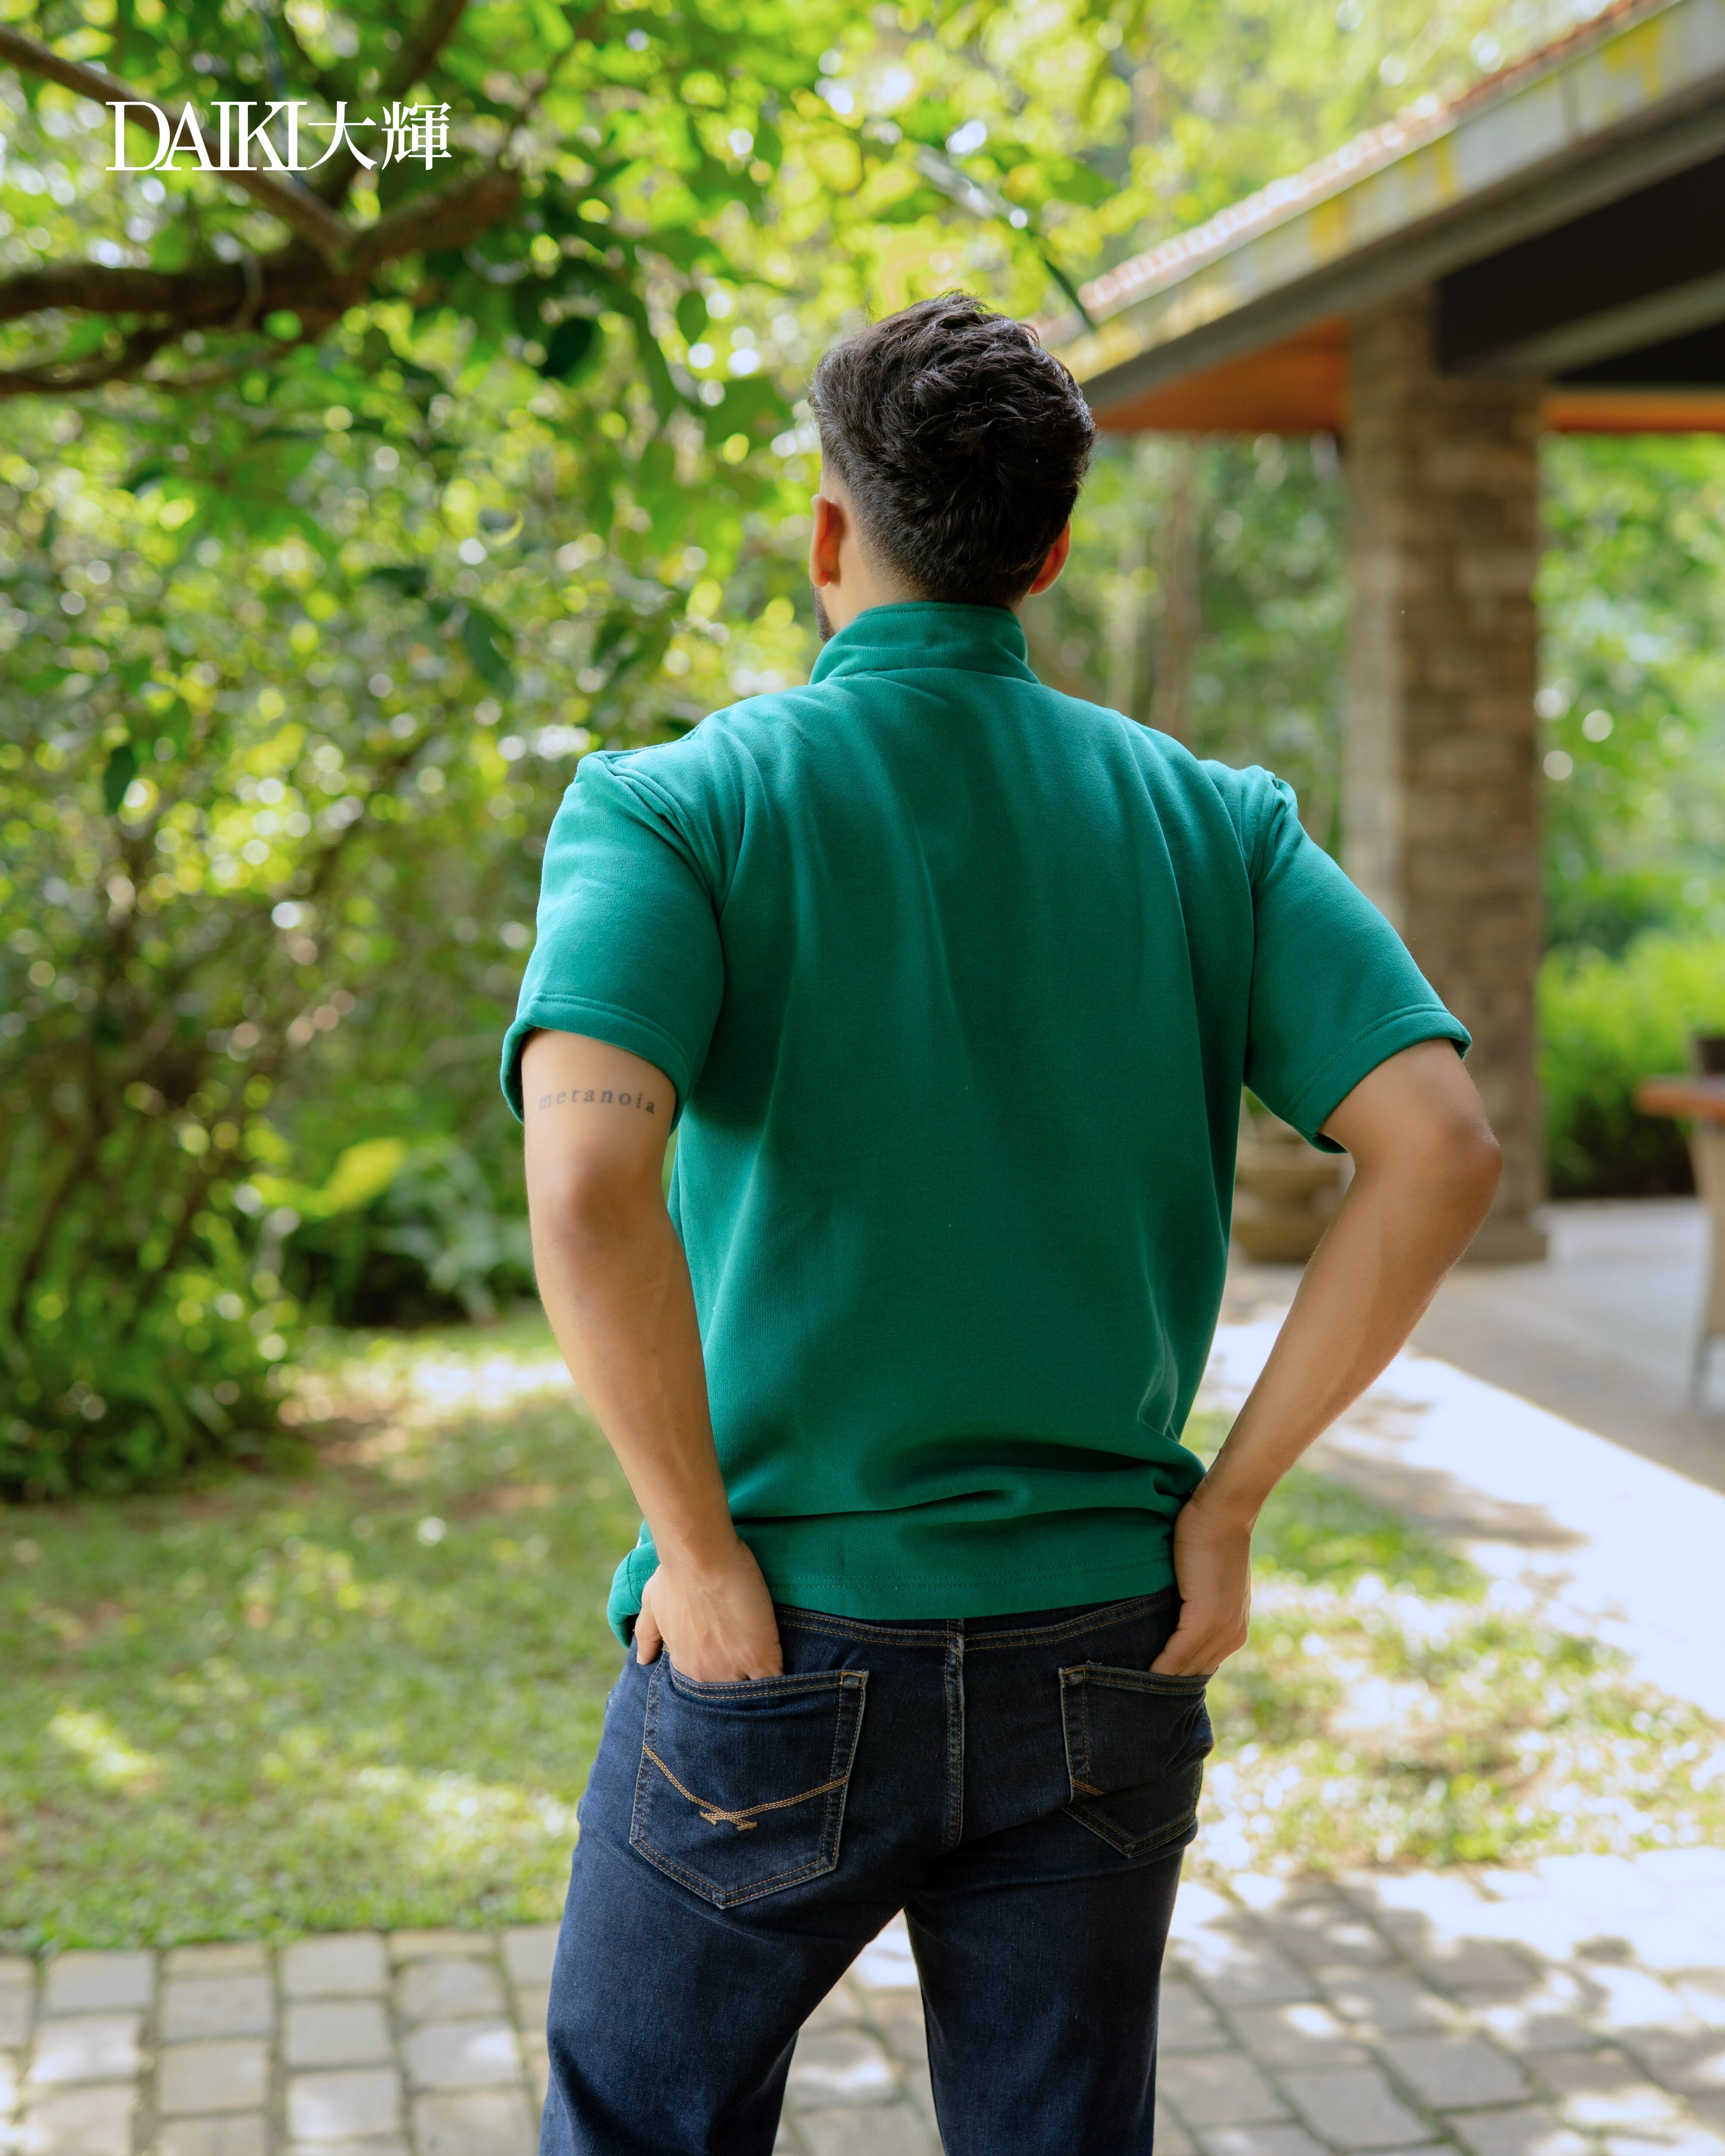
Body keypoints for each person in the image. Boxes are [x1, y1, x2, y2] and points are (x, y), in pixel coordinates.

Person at [501, 293, 1500, 2156]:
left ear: (828, 534)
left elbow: (584, 1178)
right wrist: (1230, 1502)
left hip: (773, 1633)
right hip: (1105, 1646)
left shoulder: (675, 808)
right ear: (1048, 556)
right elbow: (1440, 1147)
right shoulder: (1215, 824)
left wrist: (692, 1549)